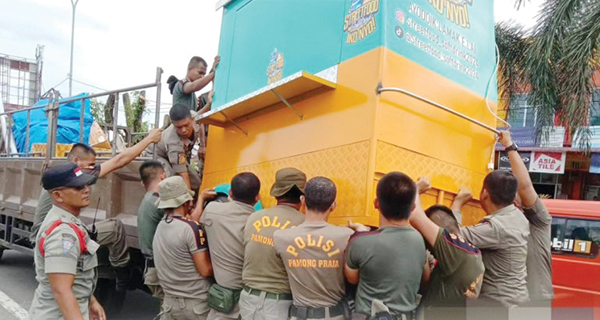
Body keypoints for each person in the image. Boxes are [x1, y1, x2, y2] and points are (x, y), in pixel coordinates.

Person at [30, 129, 163, 290]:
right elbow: (118, 161)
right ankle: (121, 274)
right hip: (53, 237)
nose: (92, 169)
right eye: (90, 165)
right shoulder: (73, 175)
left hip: (48, 233)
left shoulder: (62, 174)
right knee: (115, 228)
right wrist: (149, 139)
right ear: (77, 161)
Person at [344, 172, 429, 320]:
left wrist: (361, 233)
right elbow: (425, 276)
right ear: (413, 207)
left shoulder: (359, 242)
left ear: (376, 203)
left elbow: (352, 279)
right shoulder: (419, 239)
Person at [29, 163, 105, 320]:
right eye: (77, 187)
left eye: (85, 184)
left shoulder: (69, 222)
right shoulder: (62, 234)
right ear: (58, 196)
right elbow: (61, 291)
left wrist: (90, 300)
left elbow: (76, 275)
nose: (86, 190)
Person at [274, 177, 353, 320]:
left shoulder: (281, 237)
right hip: (336, 316)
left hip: (299, 316)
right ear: (333, 205)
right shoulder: (348, 237)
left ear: (303, 201)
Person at [239, 167, 307, 320]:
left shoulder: (254, 217)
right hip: (278, 305)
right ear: (303, 196)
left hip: (248, 299)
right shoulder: (303, 224)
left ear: (277, 193)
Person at [412, 178, 484, 320]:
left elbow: (415, 215)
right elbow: (450, 227)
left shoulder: (455, 252)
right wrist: (457, 204)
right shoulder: (469, 251)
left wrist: (415, 189)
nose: (429, 249)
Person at [498, 130, 554, 314]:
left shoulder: (539, 221)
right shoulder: (501, 223)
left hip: (535, 300)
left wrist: (509, 146)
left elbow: (525, 187)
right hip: (510, 301)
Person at [459, 169, 530, 309]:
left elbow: (451, 237)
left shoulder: (496, 228)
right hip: (518, 301)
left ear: (484, 193)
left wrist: (457, 204)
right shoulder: (518, 217)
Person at [201, 172, 261, 320]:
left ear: (230, 192)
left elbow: (197, 223)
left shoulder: (211, 210)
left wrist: (201, 198)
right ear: (257, 197)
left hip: (222, 296)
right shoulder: (258, 223)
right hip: (249, 298)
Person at [153, 176, 213, 320]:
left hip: (169, 305)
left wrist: (201, 199)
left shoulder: (161, 226)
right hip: (195, 306)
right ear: (186, 202)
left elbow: (188, 225)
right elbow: (205, 270)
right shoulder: (191, 229)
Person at [143, 105, 204, 191]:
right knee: (173, 183)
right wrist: (188, 199)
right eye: (178, 127)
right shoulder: (173, 141)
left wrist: (202, 146)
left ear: (192, 119)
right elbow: (183, 173)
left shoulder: (195, 116)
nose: (183, 130)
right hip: (158, 155)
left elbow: (201, 123)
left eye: (186, 125)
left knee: (197, 183)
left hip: (175, 155)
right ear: (173, 124)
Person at [137, 160, 167, 301]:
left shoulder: (149, 198)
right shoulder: (160, 203)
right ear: (163, 176)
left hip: (152, 267)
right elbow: (187, 222)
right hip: (159, 269)